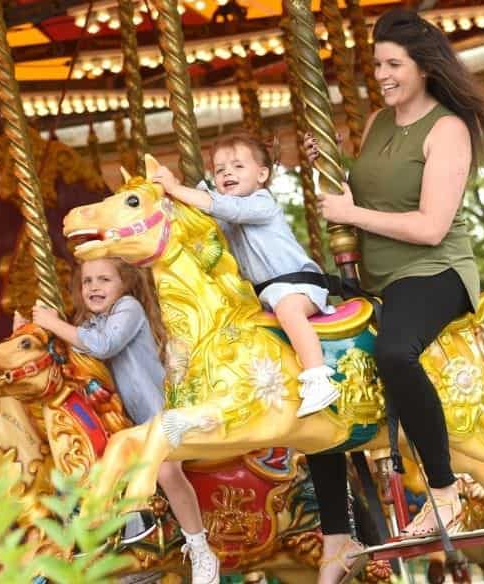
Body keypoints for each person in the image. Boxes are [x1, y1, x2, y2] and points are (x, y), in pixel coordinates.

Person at [303, 7, 484, 583]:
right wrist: (333, 175)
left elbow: (430, 226)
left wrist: (349, 210)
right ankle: (336, 536)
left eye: (394, 64)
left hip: (435, 271)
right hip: (380, 275)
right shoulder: (377, 124)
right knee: (317, 370)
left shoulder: (448, 129)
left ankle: (442, 491)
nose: (383, 74)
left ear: (423, 67)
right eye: (378, 64)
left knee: (394, 353)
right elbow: (367, 194)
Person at [31, 257, 220, 584]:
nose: (93, 287)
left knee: (165, 469)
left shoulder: (128, 309)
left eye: (103, 279)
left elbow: (104, 346)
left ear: (126, 284)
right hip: (128, 425)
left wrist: (53, 323)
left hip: (161, 414)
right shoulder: (89, 323)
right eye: (87, 281)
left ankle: (200, 549)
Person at [153, 133, 340, 417]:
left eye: (238, 166)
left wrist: (175, 188)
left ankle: (317, 377)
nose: (227, 172)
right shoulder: (228, 214)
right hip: (266, 296)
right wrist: (170, 194)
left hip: (298, 287)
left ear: (262, 174)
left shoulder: (261, 203)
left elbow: (221, 206)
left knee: (289, 309)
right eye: (219, 169)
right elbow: (202, 219)